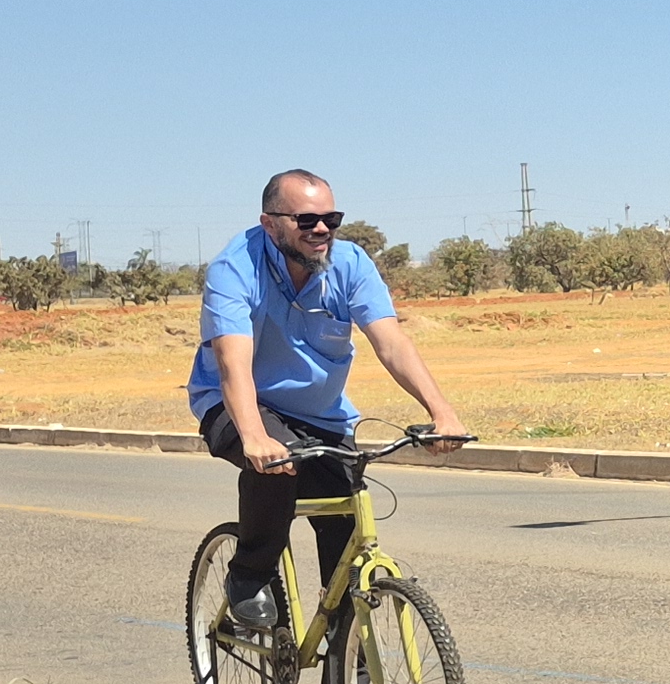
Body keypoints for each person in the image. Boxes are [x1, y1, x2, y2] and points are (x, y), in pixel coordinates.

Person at [189, 169, 467, 638]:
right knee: (278, 465)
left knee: (346, 541)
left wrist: (441, 411)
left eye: (331, 219)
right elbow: (232, 362)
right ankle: (249, 575)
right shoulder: (234, 268)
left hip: (320, 415)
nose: (322, 230)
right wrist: (255, 436)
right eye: (307, 219)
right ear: (270, 221)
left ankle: (348, 672)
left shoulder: (351, 264)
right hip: (235, 402)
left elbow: (392, 343)